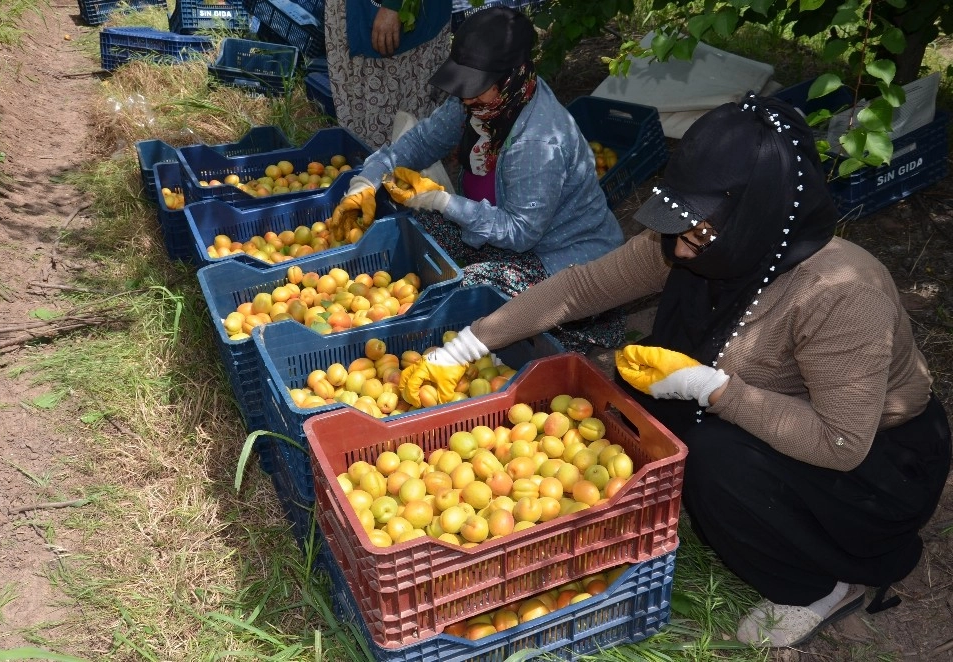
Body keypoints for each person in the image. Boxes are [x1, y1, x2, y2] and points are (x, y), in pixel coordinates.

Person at [399, 94, 953, 648]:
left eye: (699, 234)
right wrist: (466, 346)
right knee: (624, 402)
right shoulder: (698, 240)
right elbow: (581, 288)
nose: (683, 251)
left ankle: (818, 585)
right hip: (749, 403)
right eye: (680, 227)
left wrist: (710, 388)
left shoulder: (839, 292)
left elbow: (840, 441)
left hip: (871, 464)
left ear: (757, 218)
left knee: (715, 462)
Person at [329, 6, 626, 342]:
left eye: (477, 87)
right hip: (500, 237)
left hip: (562, 259)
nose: (467, 96)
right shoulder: (482, 102)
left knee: (468, 288)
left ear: (512, 75)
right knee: (412, 226)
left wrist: (443, 201)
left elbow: (520, 233)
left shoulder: (538, 141)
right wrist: (365, 182)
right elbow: (420, 143)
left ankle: (570, 332)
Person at [323, 0, 452, 150]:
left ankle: (386, 169)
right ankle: (368, 165)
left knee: (401, 130)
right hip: (357, 12)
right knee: (360, 126)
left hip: (390, 16)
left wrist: (393, 5)